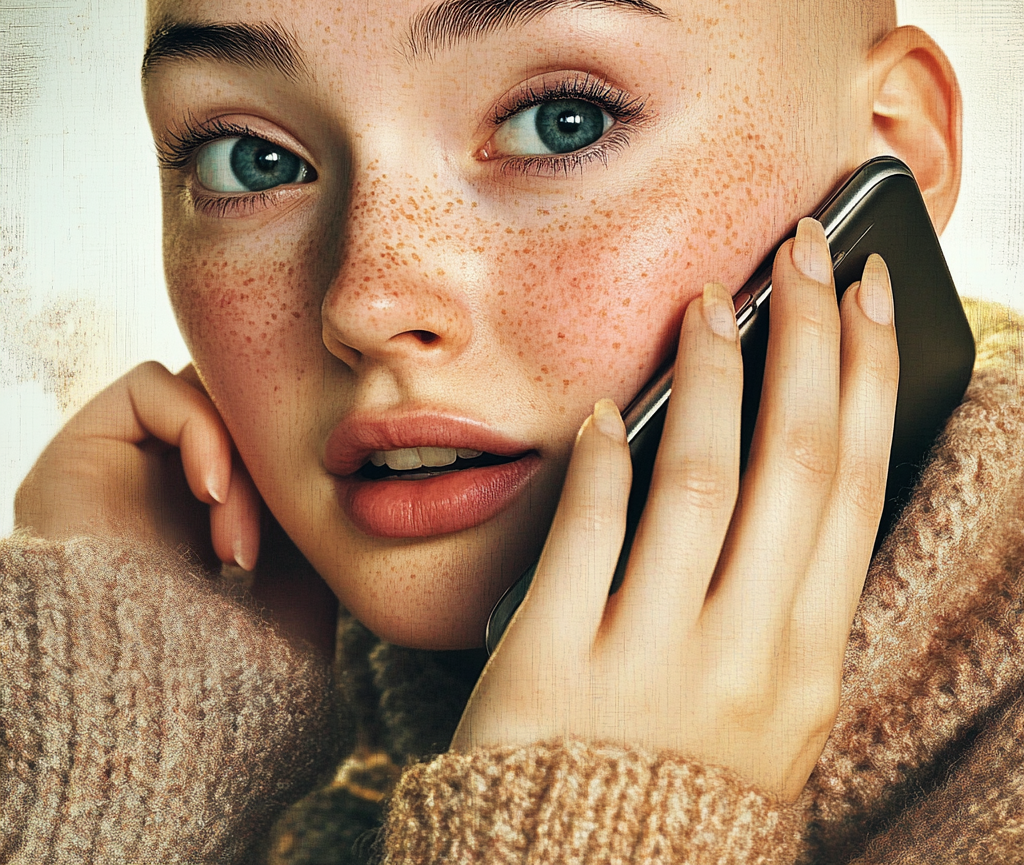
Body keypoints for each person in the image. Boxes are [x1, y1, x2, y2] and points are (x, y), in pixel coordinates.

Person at [4, 0, 1024, 862]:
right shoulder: (245, 733)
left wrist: (602, 816)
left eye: (561, 121)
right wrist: (121, 762)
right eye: (252, 159)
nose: (363, 303)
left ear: (896, 144)